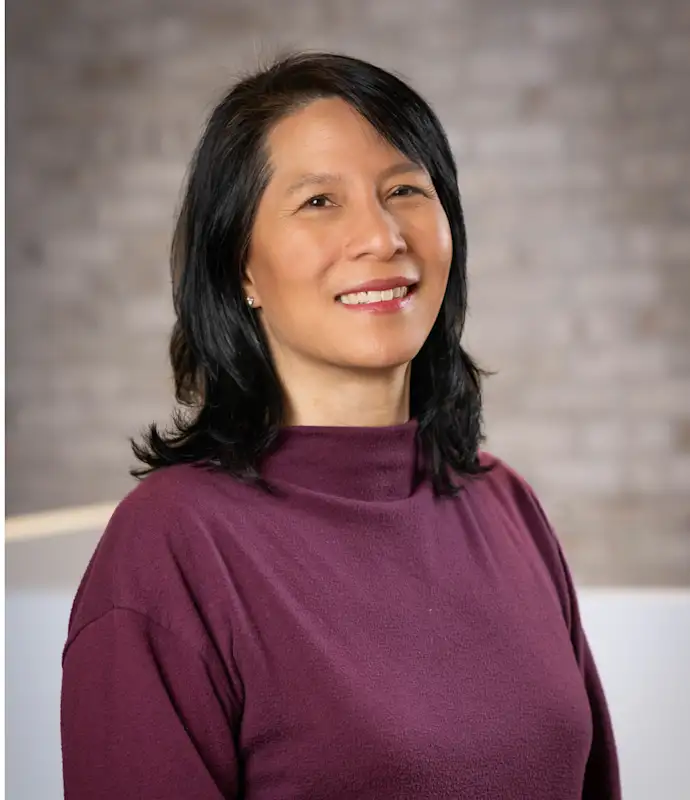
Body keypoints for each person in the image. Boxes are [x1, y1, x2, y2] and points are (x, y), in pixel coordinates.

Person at [60, 52, 621, 799]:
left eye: (405, 190)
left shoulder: (504, 504)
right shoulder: (170, 547)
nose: (383, 235)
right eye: (320, 202)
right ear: (241, 269)